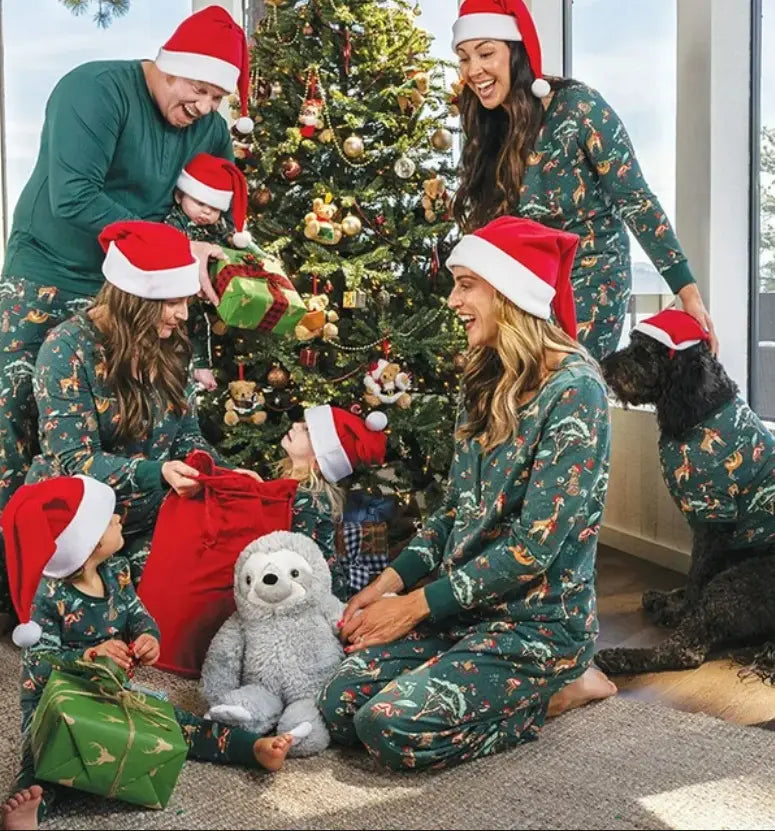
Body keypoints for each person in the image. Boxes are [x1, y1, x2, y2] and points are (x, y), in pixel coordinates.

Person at [0, 4, 255, 640]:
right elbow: (72, 194)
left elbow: (217, 201)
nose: (206, 106)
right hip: (48, 273)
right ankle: (8, 590)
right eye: (199, 89)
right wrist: (170, 247)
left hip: (141, 288)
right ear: (171, 66)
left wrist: (220, 252)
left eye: (217, 96)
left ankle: (115, 571)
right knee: (21, 419)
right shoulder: (94, 90)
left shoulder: (205, 123)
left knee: (143, 412)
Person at [318, 216, 617, 772]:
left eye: (465, 283)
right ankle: (475, 677)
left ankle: (558, 691)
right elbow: (455, 511)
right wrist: (387, 585)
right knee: (337, 705)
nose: (452, 299)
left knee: (388, 726)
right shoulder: (485, 378)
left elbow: (532, 549)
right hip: (464, 613)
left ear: (508, 291)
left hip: (537, 625)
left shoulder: (577, 393)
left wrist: (411, 609)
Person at [0, 476, 304, 830]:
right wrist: (88, 656)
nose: (119, 519)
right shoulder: (48, 596)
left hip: (112, 693)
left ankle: (250, 749)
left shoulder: (117, 572)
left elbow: (139, 615)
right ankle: (31, 804)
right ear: (91, 542)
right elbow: (38, 662)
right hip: (55, 700)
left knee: (177, 724)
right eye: (109, 517)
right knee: (44, 750)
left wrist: (148, 637)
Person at [450, 0, 717, 364]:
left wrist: (687, 292)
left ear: (515, 53)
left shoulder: (578, 108)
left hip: (591, 280)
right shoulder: (486, 125)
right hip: (519, 287)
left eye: (485, 53)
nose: (474, 70)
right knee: (492, 395)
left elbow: (635, 199)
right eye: (464, 57)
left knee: (565, 388)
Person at [25, 220, 258, 585]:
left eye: (187, 301)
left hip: (156, 512)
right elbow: (73, 460)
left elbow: (186, 435)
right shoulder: (66, 349)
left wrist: (225, 473)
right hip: (86, 526)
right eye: (172, 302)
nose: (183, 315)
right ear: (134, 300)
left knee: (233, 571)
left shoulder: (173, 344)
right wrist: (158, 474)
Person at [163, 153, 255, 392]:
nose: (205, 212)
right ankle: (199, 364)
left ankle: (207, 365)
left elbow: (231, 237)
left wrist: (239, 242)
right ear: (179, 195)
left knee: (216, 321)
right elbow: (171, 246)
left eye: (213, 208)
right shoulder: (176, 221)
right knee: (192, 321)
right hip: (182, 288)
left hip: (212, 285)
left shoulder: (215, 224)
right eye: (200, 203)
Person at [280, 406, 389, 602]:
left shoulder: (307, 500)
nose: (295, 425)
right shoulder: (294, 487)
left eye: (306, 430)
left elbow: (297, 564)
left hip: (318, 599)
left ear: (318, 458)